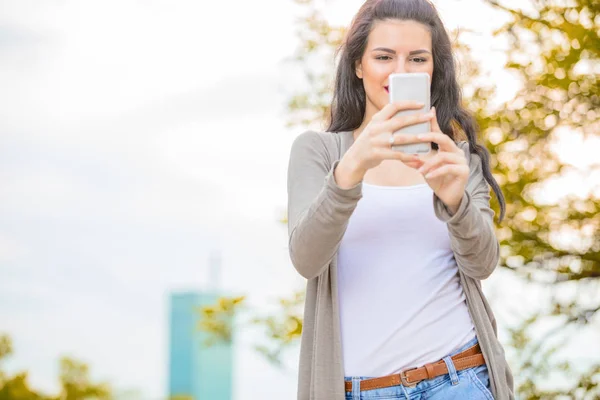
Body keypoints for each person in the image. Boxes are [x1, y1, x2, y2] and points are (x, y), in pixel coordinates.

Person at [286, 0, 515, 399]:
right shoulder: (319, 152)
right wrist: (349, 173)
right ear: (358, 65)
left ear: (433, 69)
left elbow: (483, 263)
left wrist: (456, 201)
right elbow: (307, 259)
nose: (400, 71)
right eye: (384, 56)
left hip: (458, 380)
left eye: (417, 58)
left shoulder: (457, 158)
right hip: (361, 390)